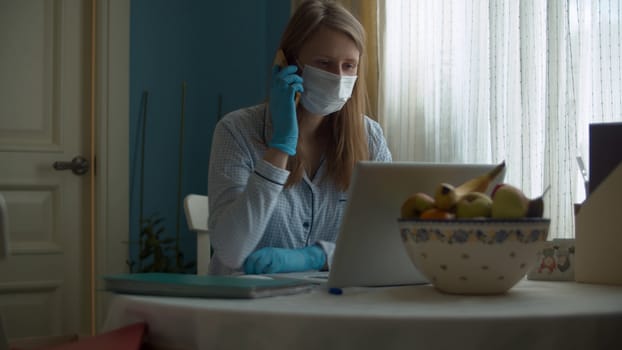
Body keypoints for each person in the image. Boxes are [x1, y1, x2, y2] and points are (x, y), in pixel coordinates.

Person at [207, 0, 392, 275]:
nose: (338, 77)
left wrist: (318, 256)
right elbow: (231, 251)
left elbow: (385, 243)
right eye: (324, 63)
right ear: (288, 63)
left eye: (349, 65)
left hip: (329, 307)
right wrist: (280, 146)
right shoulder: (237, 130)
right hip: (248, 308)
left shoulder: (371, 138)